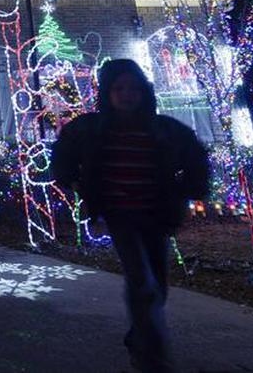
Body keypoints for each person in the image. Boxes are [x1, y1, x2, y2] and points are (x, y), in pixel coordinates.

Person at [52, 59, 209, 373]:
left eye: (133, 88)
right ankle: (152, 360)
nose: (126, 95)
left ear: (144, 92)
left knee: (157, 284)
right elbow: (64, 151)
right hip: (120, 215)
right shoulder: (94, 129)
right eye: (119, 88)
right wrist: (73, 180)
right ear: (108, 93)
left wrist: (189, 189)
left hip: (157, 214)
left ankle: (140, 335)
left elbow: (195, 155)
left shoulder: (162, 129)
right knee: (141, 281)